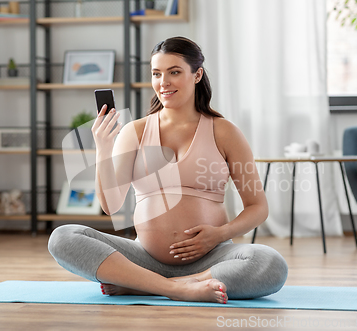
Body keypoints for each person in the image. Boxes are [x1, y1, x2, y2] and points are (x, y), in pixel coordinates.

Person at [48, 36, 288, 304]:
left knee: (270, 263)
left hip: (211, 260)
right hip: (143, 259)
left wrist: (218, 235)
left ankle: (149, 286)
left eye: (174, 72)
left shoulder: (224, 131)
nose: (164, 82)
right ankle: (175, 288)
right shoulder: (134, 132)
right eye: (156, 74)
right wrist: (103, 148)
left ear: (197, 75)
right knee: (63, 237)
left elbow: (257, 207)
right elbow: (111, 206)